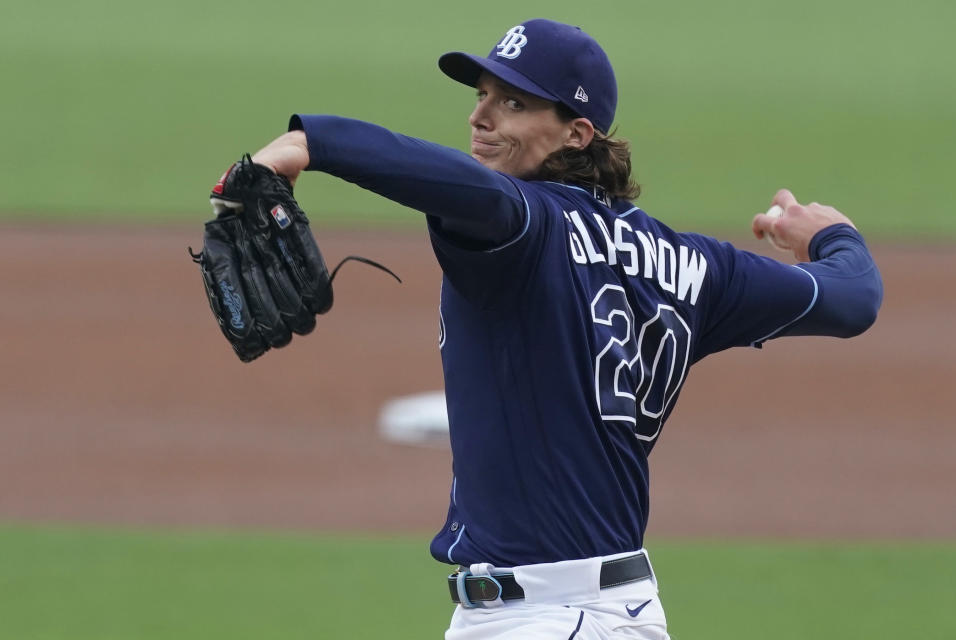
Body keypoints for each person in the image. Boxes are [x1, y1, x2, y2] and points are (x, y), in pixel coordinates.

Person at [246, 18, 882, 640]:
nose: (481, 117)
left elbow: (458, 185)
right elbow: (853, 299)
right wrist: (832, 235)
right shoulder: (697, 267)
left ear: (577, 134)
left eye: (513, 103)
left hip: (543, 618)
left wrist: (308, 145)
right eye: (482, 96)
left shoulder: (525, 227)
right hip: (617, 610)